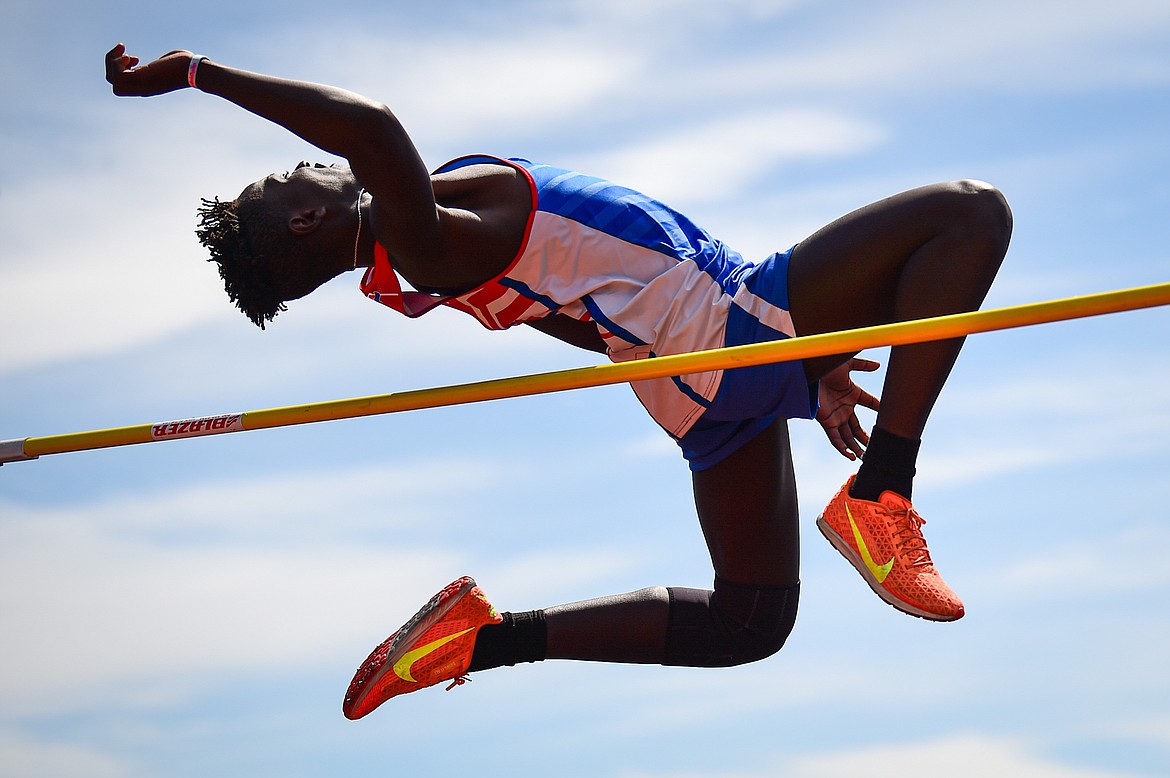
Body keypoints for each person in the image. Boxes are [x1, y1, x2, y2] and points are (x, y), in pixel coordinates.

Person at [105, 43, 1012, 719]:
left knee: (752, 622)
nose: (302, 161)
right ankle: (883, 488)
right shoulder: (420, 240)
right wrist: (199, 75)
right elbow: (371, 126)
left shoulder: (437, 240)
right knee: (969, 218)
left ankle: (486, 642)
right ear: (307, 214)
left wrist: (792, 375)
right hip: (723, 324)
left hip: (695, 358)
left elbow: (579, 314)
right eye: (282, 177)